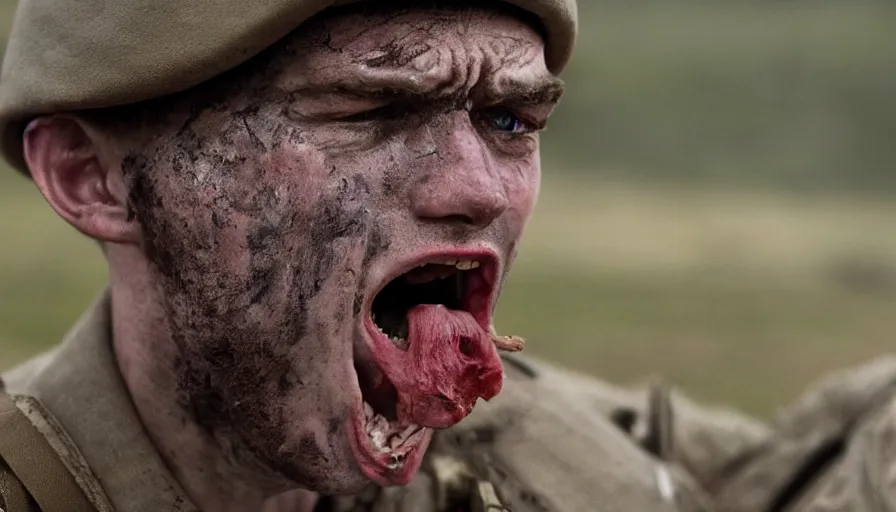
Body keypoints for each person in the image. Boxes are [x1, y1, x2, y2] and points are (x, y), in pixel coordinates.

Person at [0, 0, 888, 510]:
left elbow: (790, 474)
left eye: (511, 121)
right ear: (92, 179)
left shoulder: (533, 441)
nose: (478, 187)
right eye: (368, 113)